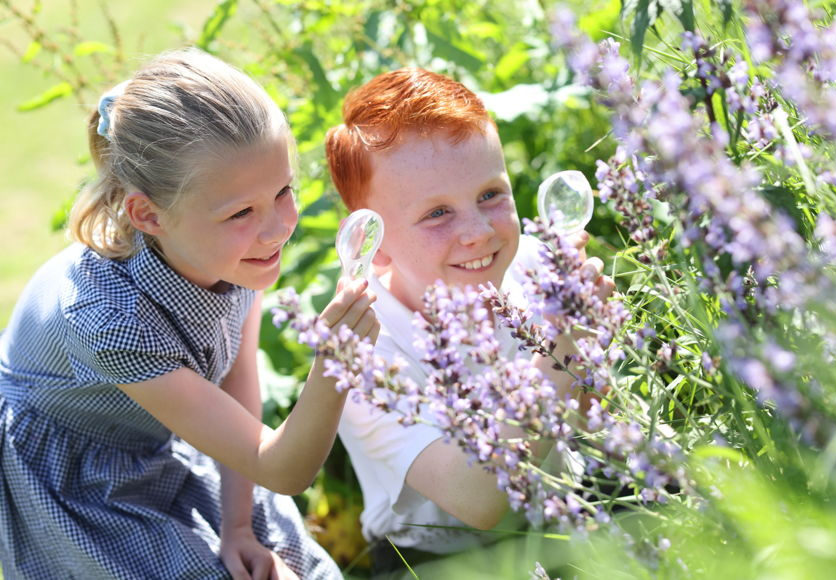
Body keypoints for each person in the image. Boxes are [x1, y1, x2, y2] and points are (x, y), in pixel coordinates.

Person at [0, 48, 379, 580]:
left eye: (283, 191)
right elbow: (282, 468)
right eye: (242, 212)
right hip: (79, 477)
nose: (278, 229)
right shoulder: (110, 321)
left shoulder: (230, 252)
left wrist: (238, 526)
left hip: (166, 427)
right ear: (147, 215)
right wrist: (338, 358)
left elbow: (238, 383)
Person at [324, 68, 614, 574]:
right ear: (373, 242)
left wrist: (593, 359)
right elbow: (478, 500)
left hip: (563, 501)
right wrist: (565, 347)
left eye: (490, 194)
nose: (479, 232)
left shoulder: (533, 264)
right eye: (437, 213)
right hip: (439, 556)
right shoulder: (362, 348)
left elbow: (592, 417)